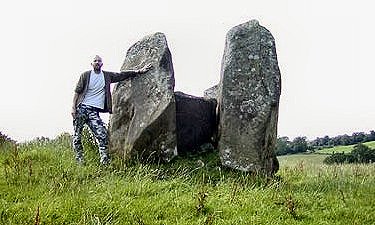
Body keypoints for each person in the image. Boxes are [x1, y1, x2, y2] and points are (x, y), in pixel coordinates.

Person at [71, 55, 152, 165]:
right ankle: (80, 161)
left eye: (99, 61)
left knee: (102, 135)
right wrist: (73, 108)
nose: (97, 62)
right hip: (82, 108)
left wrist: (139, 71)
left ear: (102, 64)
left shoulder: (107, 76)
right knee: (77, 136)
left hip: (93, 112)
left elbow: (122, 75)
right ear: (91, 64)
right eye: (95, 61)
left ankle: (105, 162)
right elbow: (77, 91)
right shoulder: (85, 75)